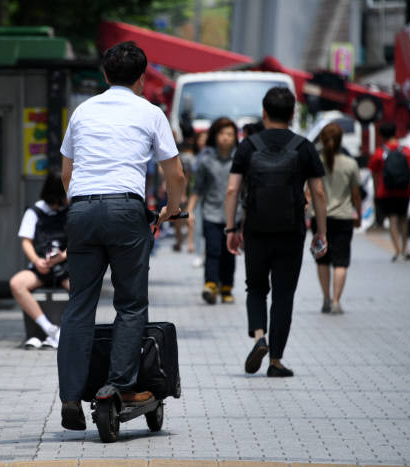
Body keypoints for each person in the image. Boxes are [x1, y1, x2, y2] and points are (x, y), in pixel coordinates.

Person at [57, 41, 185, 430]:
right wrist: (172, 209)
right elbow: (175, 174)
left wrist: (83, 208)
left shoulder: (82, 111)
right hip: (127, 210)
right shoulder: (150, 112)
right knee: (130, 303)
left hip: (81, 209)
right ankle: (117, 386)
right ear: (143, 79)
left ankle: (69, 396)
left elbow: (67, 172)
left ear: (105, 75)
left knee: (79, 303)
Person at [225, 87, 327, 378]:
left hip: (256, 229)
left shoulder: (248, 146)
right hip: (291, 231)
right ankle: (276, 361)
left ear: (264, 112)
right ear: (293, 114)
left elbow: (232, 189)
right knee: (283, 294)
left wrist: (231, 228)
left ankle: (259, 336)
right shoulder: (304, 146)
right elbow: (318, 193)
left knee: (255, 288)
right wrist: (321, 231)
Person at [9, 171, 69, 349]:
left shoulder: (72, 210)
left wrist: (62, 257)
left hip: (66, 266)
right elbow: (26, 241)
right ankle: (49, 329)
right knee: (16, 284)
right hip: (41, 267)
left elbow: (79, 241)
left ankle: (67, 331)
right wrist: (37, 261)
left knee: (83, 289)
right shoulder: (35, 211)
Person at [187, 117, 243, 304]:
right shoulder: (206, 161)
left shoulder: (241, 160)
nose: (226, 138)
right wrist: (190, 210)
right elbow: (198, 189)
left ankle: (227, 288)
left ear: (235, 137)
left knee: (230, 253)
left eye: (230, 134)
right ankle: (210, 285)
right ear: (215, 136)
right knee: (213, 250)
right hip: (211, 213)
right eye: (222, 133)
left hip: (235, 215)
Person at [309, 123, 362, 315]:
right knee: (341, 261)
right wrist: (359, 215)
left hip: (319, 218)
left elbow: (310, 191)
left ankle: (325, 298)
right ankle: (337, 301)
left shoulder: (315, 162)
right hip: (343, 217)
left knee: (322, 260)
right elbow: (356, 194)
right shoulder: (350, 164)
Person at [368, 122, 410, 261]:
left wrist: (376, 190)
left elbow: (374, 174)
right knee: (404, 218)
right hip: (405, 190)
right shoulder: (407, 151)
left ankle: (397, 251)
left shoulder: (380, 153)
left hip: (387, 191)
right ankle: (404, 248)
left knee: (392, 219)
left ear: (382, 135)